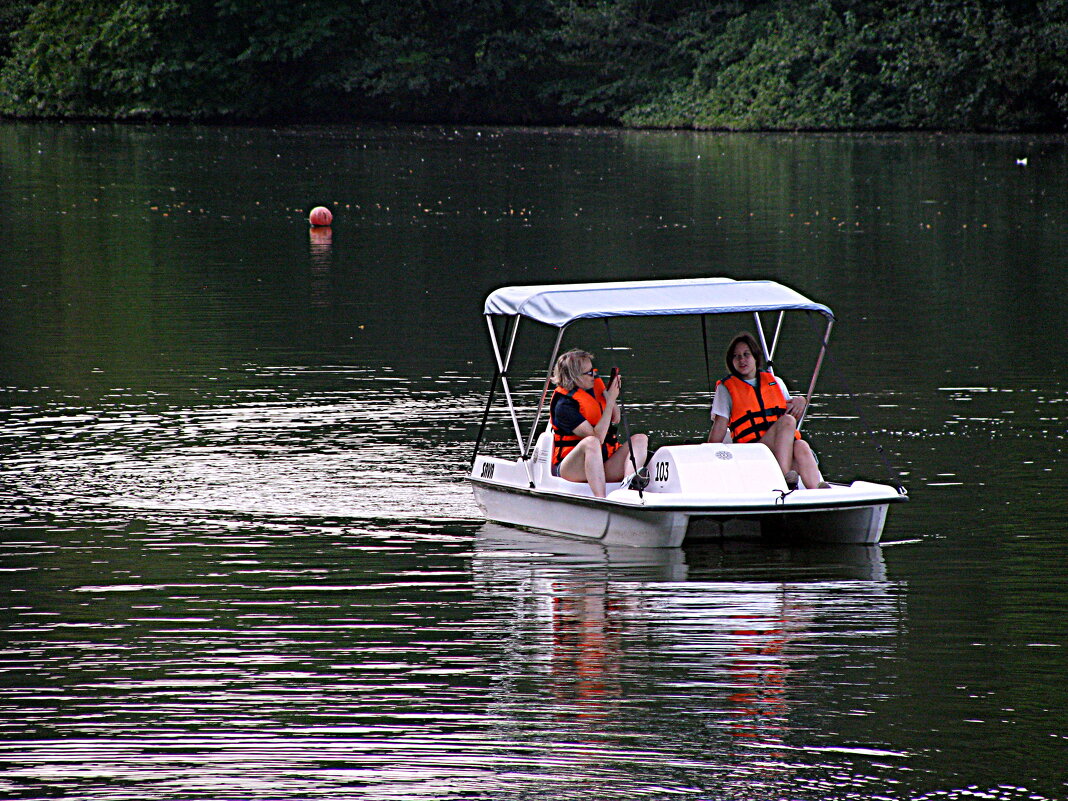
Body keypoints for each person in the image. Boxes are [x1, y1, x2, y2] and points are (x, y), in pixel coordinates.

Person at [707, 332, 829, 489]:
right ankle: (785, 478)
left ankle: (818, 490)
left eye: (746, 354)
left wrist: (802, 401)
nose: (742, 360)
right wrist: (707, 452)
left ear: (755, 357)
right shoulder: (726, 388)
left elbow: (791, 408)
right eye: (736, 356)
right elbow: (720, 426)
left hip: (777, 449)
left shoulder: (775, 382)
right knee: (788, 421)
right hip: (752, 451)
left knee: (802, 445)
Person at [549, 349, 649, 498]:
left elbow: (616, 418)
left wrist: (610, 395)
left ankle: (629, 488)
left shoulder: (594, 387)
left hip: (601, 464)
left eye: (594, 371)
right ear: (574, 377)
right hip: (572, 469)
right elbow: (598, 438)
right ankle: (600, 498)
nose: (594, 375)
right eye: (589, 373)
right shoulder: (564, 405)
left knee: (640, 439)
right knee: (591, 442)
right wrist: (609, 402)